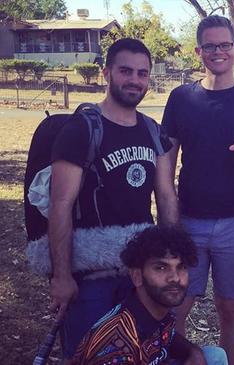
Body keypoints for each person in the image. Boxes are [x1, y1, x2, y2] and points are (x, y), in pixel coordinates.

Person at [48, 38, 178, 361]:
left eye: (142, 73)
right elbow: (60, 204)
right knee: (87, 354)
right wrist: (62, 276)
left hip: (140, 272)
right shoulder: (82, 130)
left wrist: (173, 256)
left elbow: (165, 194)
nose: (134, 80)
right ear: (106, 73)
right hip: (91, 277)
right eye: (125, 71)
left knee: (143, 352)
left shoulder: (153, 132)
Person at [161, 15, 234, 365]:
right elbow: (165, 165)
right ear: (199, 51)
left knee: (231, 309)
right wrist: (170, 221)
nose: (218, 51)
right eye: (210, 45)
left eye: (225, 44)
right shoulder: (181, 98)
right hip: (189, 222)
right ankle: (173, 360)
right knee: (175, 305)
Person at [72, 225, 228, 365]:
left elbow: (169, 335)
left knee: (213, 356)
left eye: (181, 267)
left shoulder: (153, 310)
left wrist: (193, 351)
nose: (174, 277)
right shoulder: (117, 346)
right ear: (136, 276)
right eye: (161, 268)